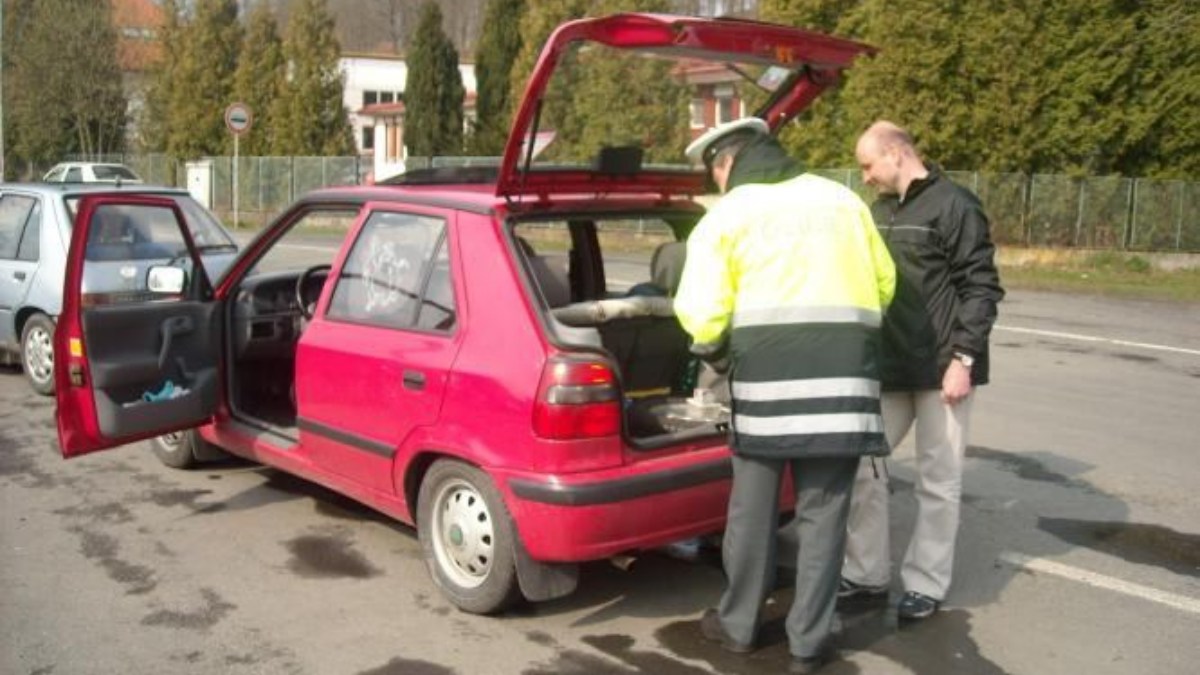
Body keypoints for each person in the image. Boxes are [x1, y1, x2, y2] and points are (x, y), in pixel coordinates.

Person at [674, 118, 896, 674]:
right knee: (825, 517)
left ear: (725, 164)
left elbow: (701, 314)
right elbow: (886, 285)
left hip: (766, 392)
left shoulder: (730, 214)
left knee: (751, 513)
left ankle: (740, 626)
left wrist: (717, 355)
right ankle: (808, 643)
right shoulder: (844, 203)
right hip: (844, 390)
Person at [840, 121, 1005, 621]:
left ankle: (925, 584)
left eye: (868, 164)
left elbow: (981, 287)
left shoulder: (955, 204)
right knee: (861, 471)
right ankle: (865, 575)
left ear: (895, 153)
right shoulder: (879, 211)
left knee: (937, 480)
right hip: (886, 369)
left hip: (941, 370)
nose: (864, 176)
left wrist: (965, 360)